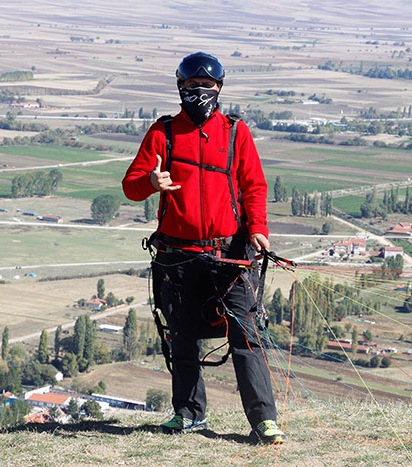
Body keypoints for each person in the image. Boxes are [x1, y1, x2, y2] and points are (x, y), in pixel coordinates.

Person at [122, 52, 284, 444]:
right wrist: (151, 184)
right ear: (181, 89)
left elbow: (254, 186)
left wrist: (258, 229)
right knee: (182, 336)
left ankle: (264, 421)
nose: (200, 94)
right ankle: (189, 415)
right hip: (177, 255)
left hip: (229, 253)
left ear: (220, 89)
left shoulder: (235, 132)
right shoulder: (162, 133)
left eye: (207, 88)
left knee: (246, 335)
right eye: (192, 88)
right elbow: (130, 184)